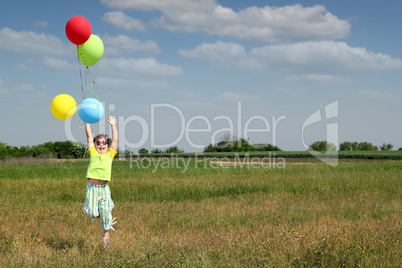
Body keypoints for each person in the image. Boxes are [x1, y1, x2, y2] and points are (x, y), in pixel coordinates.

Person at [82, 115, 118, 248]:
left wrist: (113, 126)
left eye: (104, 143)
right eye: (98, 143)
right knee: (92, 212)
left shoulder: (110, 155)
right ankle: (98, 214)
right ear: (95, 145)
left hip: (104, 188)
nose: (101, 145)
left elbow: (115, 140)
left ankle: (106, 235)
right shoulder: (93, 153)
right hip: (92, 187)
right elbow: (89, 136)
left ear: (108, 145)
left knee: (106, 210)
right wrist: (87, 124)